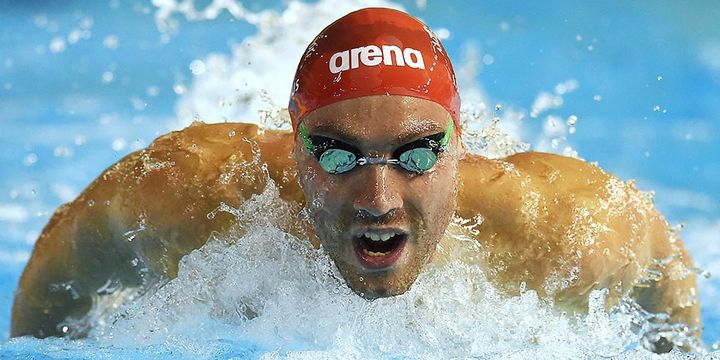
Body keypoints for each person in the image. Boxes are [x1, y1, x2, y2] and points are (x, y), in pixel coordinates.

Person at [11, 7, 701, 353]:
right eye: (337, 155)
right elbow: (56, 269)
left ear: (460, 146)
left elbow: (667, 275)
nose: (378, 199)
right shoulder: (187, 196)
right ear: (293, 143)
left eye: (418, 154)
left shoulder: (562, 228)